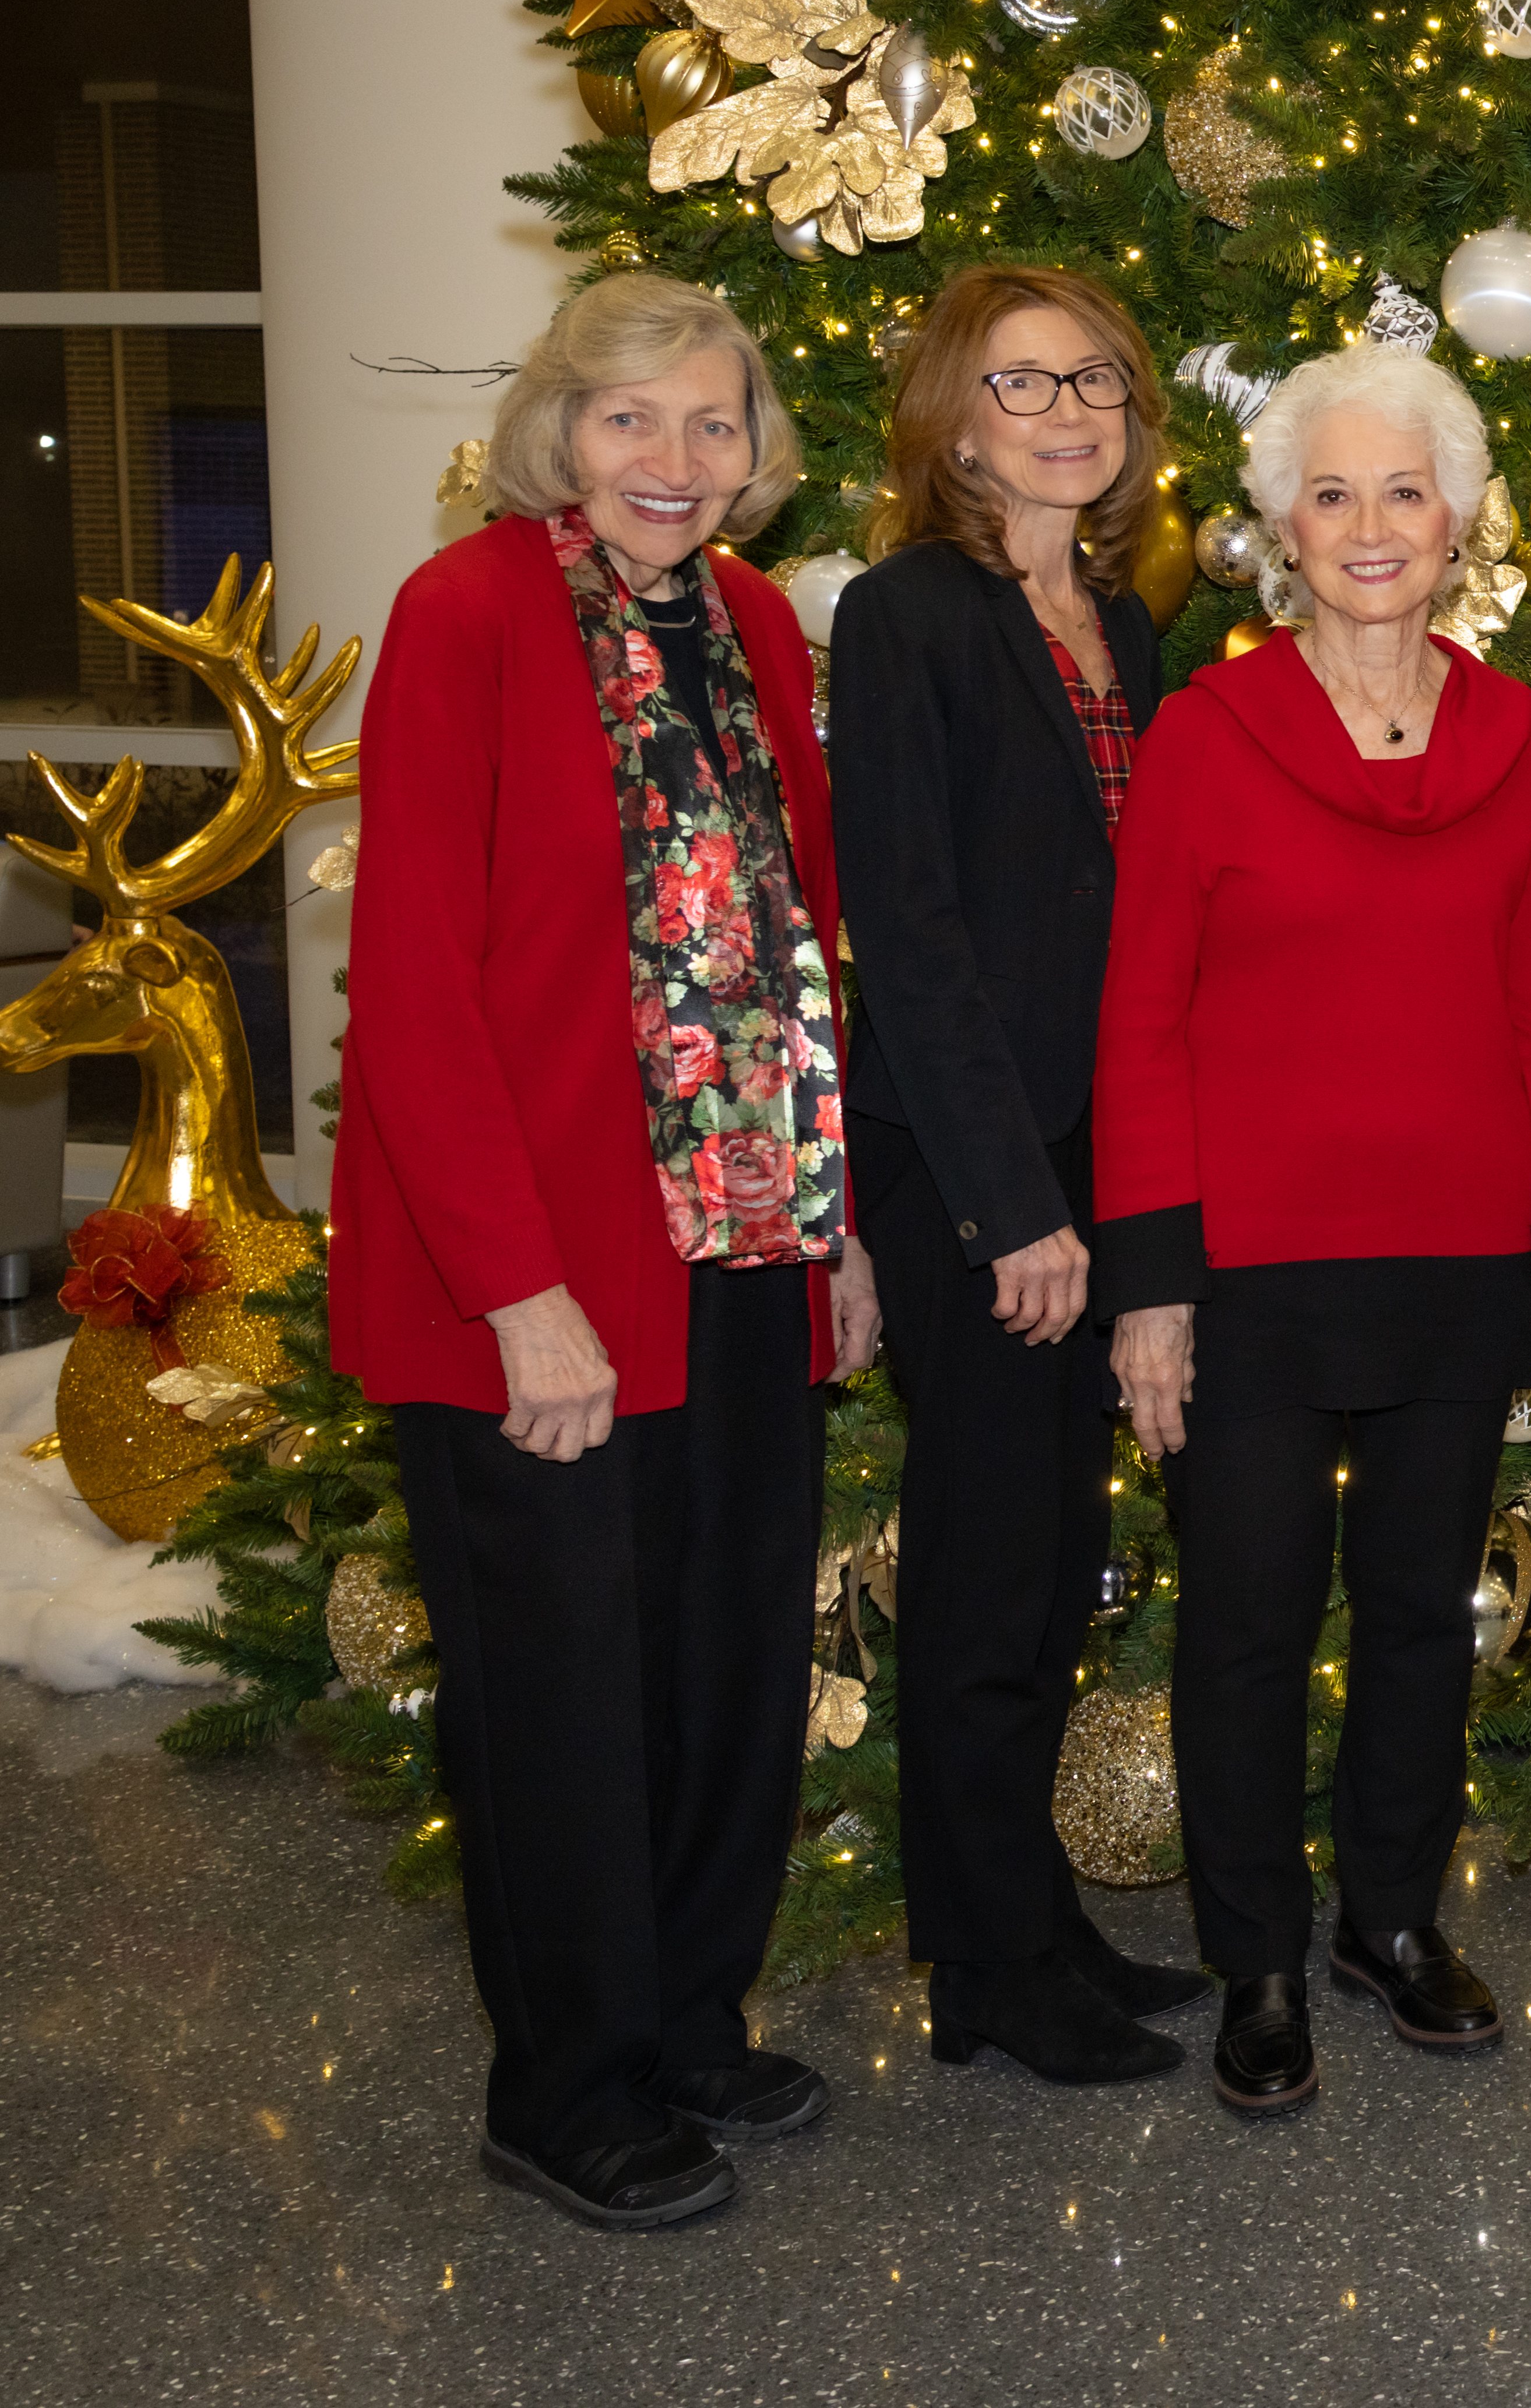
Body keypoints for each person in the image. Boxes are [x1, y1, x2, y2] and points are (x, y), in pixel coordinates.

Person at [333, 272, 882, 2231]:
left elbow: (799, 944)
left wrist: (839, 1233)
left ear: (756, 457)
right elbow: (410, 985)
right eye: (630, 419)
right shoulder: (466, 615)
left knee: (732, 1651)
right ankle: (562, 2081)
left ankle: (687, 2017)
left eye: (712, 424)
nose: (673, 460)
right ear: (559, 434)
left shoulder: (745, 625)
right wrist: (516, 1293)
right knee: (563, 1685)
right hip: (540, 1270)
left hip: (741, 1244)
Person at [1094, 341, 1531, 2115]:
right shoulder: (1205, 737)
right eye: (1334, 493)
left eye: (1406, 490)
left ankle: (1388, 1920)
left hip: (1461, 1254)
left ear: (1461, 521)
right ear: (1278, 530)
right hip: (1246, 1268)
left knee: (1418, 1613)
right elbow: (1141, 1020)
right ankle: (1255, 1952)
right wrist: (1150, 1284)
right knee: (1245, 1618)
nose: (1372, 525)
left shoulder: (1515, 734)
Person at [830, 263, 1210, 2088]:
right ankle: (982, 1964)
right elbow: (905, 933)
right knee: (989, 1571)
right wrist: (1011, 1209)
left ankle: (1033, 1917)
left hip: (1093, 1146)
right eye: (1021, 383)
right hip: (973, 1164)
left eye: (1096, 382)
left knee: (1061, 1560)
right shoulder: (908, 618)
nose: (1067, 412)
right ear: (952, 418)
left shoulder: (1128, 622)